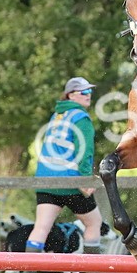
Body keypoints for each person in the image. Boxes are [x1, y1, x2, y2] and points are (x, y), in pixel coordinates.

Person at [27, 76, 104, 259]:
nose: (88, 95)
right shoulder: (81, 118)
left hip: (46, 180)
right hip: (72, 181)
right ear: (70, 95)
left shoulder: (57, 116)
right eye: (83, 92)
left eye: (90, 91)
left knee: (41, 227)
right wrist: (86, 179)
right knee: (94, 223)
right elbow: (85, 152)